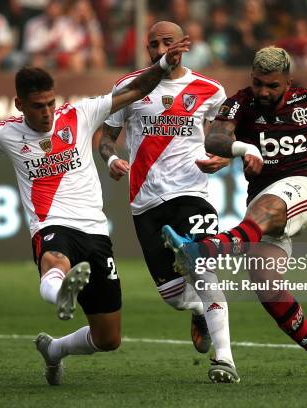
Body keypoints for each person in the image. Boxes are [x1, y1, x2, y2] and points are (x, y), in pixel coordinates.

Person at [0, 36, 190, 386]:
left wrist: (164, 65)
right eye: (37, 106)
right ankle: (61, 292)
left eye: (49, 103)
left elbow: (134, 90)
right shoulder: (7, 134)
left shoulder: (79, 114)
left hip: (95, 232)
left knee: (108, 339)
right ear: (19, 104)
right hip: (51, 224)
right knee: (55, 259)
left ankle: (55, 349)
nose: (45, 112)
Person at [162, 46, 307, 387]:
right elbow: (215, 139)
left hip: (305, 188)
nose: (263, 92)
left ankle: (204, 250)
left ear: (287, 81)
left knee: (268, 206)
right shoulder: (240, 103)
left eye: (272, 86)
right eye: (258, 83)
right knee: (268, 288)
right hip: (262, 205)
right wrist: (243, 149)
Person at [100, 21, 238, 383]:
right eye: (153, 44)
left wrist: (223, 159)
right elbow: (107, 138)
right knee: (175, 296)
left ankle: (224, 359)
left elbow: (222, 140)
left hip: (192, 192)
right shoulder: (129, 87)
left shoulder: (210, 89)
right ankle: (199, 314)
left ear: (182, 46)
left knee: (204, 266)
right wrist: (111, 158)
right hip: (145, 201)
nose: (160, 49)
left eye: (167, 42)